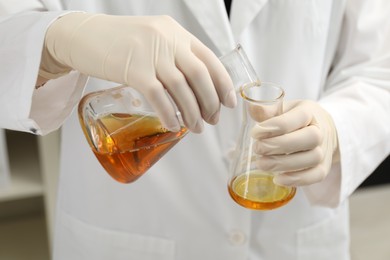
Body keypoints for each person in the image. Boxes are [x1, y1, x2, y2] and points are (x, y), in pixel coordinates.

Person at [1, 0, 389, 259]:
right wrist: (60, 40)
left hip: (291, 236)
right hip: (132, 227)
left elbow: (380, 67)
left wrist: (338, 127)